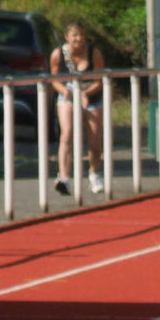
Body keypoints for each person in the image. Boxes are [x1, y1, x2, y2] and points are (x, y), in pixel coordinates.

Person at [49, 20, 105, 195]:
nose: (78, 39)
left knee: (95, 139)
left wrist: (86, 93)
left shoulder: (94, 53)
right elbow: (54, 80)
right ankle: (64, 177)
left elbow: (99, 80)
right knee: (67, 133)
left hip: (91, 96)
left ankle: (94, 174)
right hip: (68, 95)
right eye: (74, 35)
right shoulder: (58, 54)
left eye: (81, 35)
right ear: (67, 37)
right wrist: (64, 91)